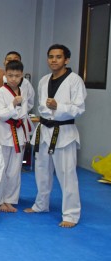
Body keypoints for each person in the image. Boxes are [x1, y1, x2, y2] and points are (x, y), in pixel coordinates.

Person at [25, 44, 86, 228]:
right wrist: (48, 111)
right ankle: (41, 204)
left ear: (66, 60)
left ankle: (71, 214)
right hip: (44, 129)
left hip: (64, 131)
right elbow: (42, 106)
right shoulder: (44, 80)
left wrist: (58, 107)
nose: (54, 60)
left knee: (67, 174)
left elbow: (79, 109)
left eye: (58, 57)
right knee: (41, 171)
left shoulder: (75, 81)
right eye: (51, 56)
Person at [0, 60, 32, 213]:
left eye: (17, 76)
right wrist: (13, 106)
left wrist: (14, 112)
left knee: (15, 170)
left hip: (19, 133)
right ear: (5, 75)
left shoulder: (23, 91)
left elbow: (24, 113)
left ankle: (10, 200)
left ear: (22, 76)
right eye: (10, 75)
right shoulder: (0, 92)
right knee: (1, 168)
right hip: (2, 134)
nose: (13, 79)